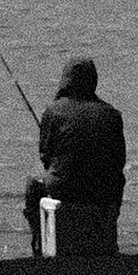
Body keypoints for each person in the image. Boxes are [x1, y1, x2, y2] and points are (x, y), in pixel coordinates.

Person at [22, 56, 125, 257]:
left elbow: (46, 156)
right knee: (116, 178)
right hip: (104, 194)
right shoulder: (112, 114)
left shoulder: (53, 110)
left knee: (33, 185)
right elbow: (119, 160)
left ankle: (38, 244)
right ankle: (107, 236)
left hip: (66, 191)